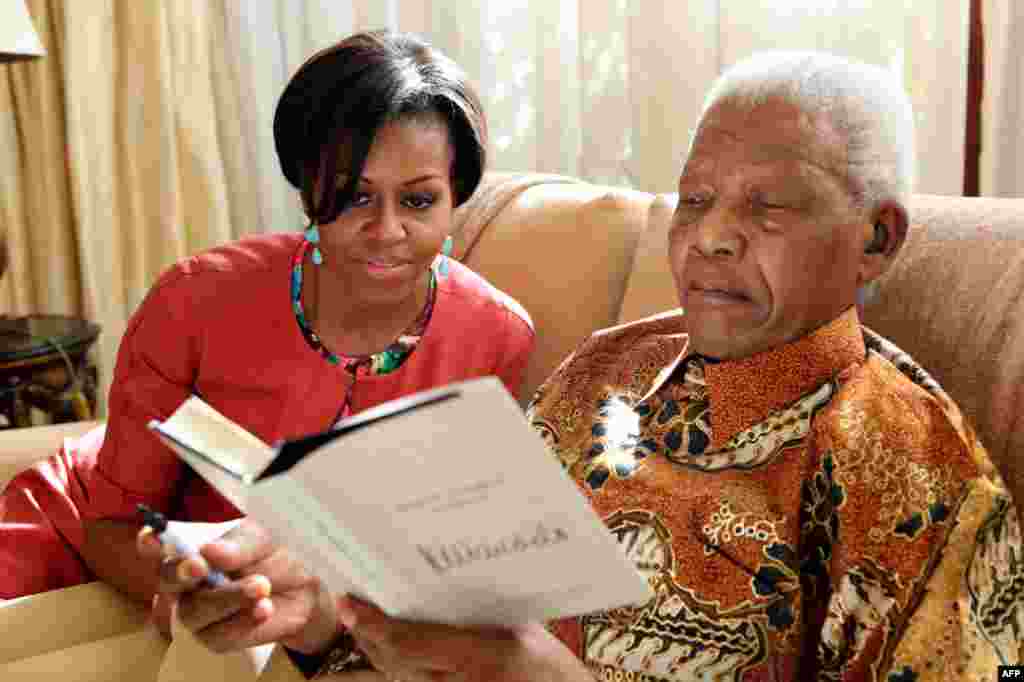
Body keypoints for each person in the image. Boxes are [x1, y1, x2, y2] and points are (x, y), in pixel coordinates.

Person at [143, 51, 1024, 681]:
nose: (711, 235)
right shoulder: (607, 369)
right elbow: (453, 596)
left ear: (876, 239)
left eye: (770, 206)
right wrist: (317, 611)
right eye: (698, 198)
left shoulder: (915, 479)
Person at [0, 30, 535, 616]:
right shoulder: (194, 301)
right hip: (87, 550)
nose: (386, 230)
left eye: (417, 201)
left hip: (293, 611)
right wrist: (193, 600)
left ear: (454, 194)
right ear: (308, 192)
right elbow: (111, 524)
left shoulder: (497, 336)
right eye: (355, 197)